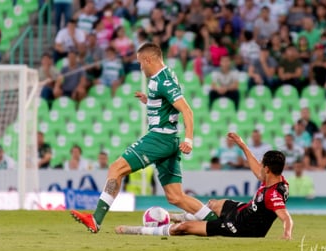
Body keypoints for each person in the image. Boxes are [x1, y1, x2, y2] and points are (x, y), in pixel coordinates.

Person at [71, 42, 217, 233]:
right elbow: (168, 103)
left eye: (140, 63)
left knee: (116, 168)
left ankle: (95, 219)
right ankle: (215, 221)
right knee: (175, 197)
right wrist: (150, 101)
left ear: (148, 60)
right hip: (169, 140)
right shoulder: (165, 75)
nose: (140, 68)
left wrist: (189, 140)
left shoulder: (163, 81)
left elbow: (187, 111)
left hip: (159, 139)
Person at [116, 132, 293, 240]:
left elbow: (285, 217)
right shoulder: (276, 180)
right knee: (213, 204)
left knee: (184, 229)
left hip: (241, 227)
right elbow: (257, 171)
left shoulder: (273, 195)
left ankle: (137, 230)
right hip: (244, 211)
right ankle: (175, 216)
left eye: (262, 165)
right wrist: (243, 146)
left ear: (268, 169)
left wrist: (287, 234)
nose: (259, 167)